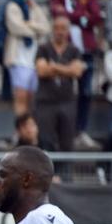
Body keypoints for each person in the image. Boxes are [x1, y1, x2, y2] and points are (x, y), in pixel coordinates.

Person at [49, 0, 103, 150]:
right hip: (64, 52)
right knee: (63, 92)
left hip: (86, 51)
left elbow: (96, 16)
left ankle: (81, 130)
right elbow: (57, 14)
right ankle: (62, 131)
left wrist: (71, 16)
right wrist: (82, 16)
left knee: (85, 92)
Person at [35, 15, 87, 153]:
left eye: (63, 28)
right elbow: (41, 71)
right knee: (45, 141)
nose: (60, 31)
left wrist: (54, 67)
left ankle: (66, 167)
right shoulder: (43, 48)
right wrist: (67, 69)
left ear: (68, 30)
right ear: (52, 30)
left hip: (67, 101)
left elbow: (77, 72)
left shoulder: (74, 50)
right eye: (57, 28)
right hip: (45, 102)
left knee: (67, 141)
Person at [3, 0, 51, 117]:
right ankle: (20, 127)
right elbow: (16, 27)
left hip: (34, 59)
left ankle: (31, 127)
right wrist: (35, 30)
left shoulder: (36, 8)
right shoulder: (12, 6)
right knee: (21, 96)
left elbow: (46, 28)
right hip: (19, 58)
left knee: (32, 97)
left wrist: (29, 24)